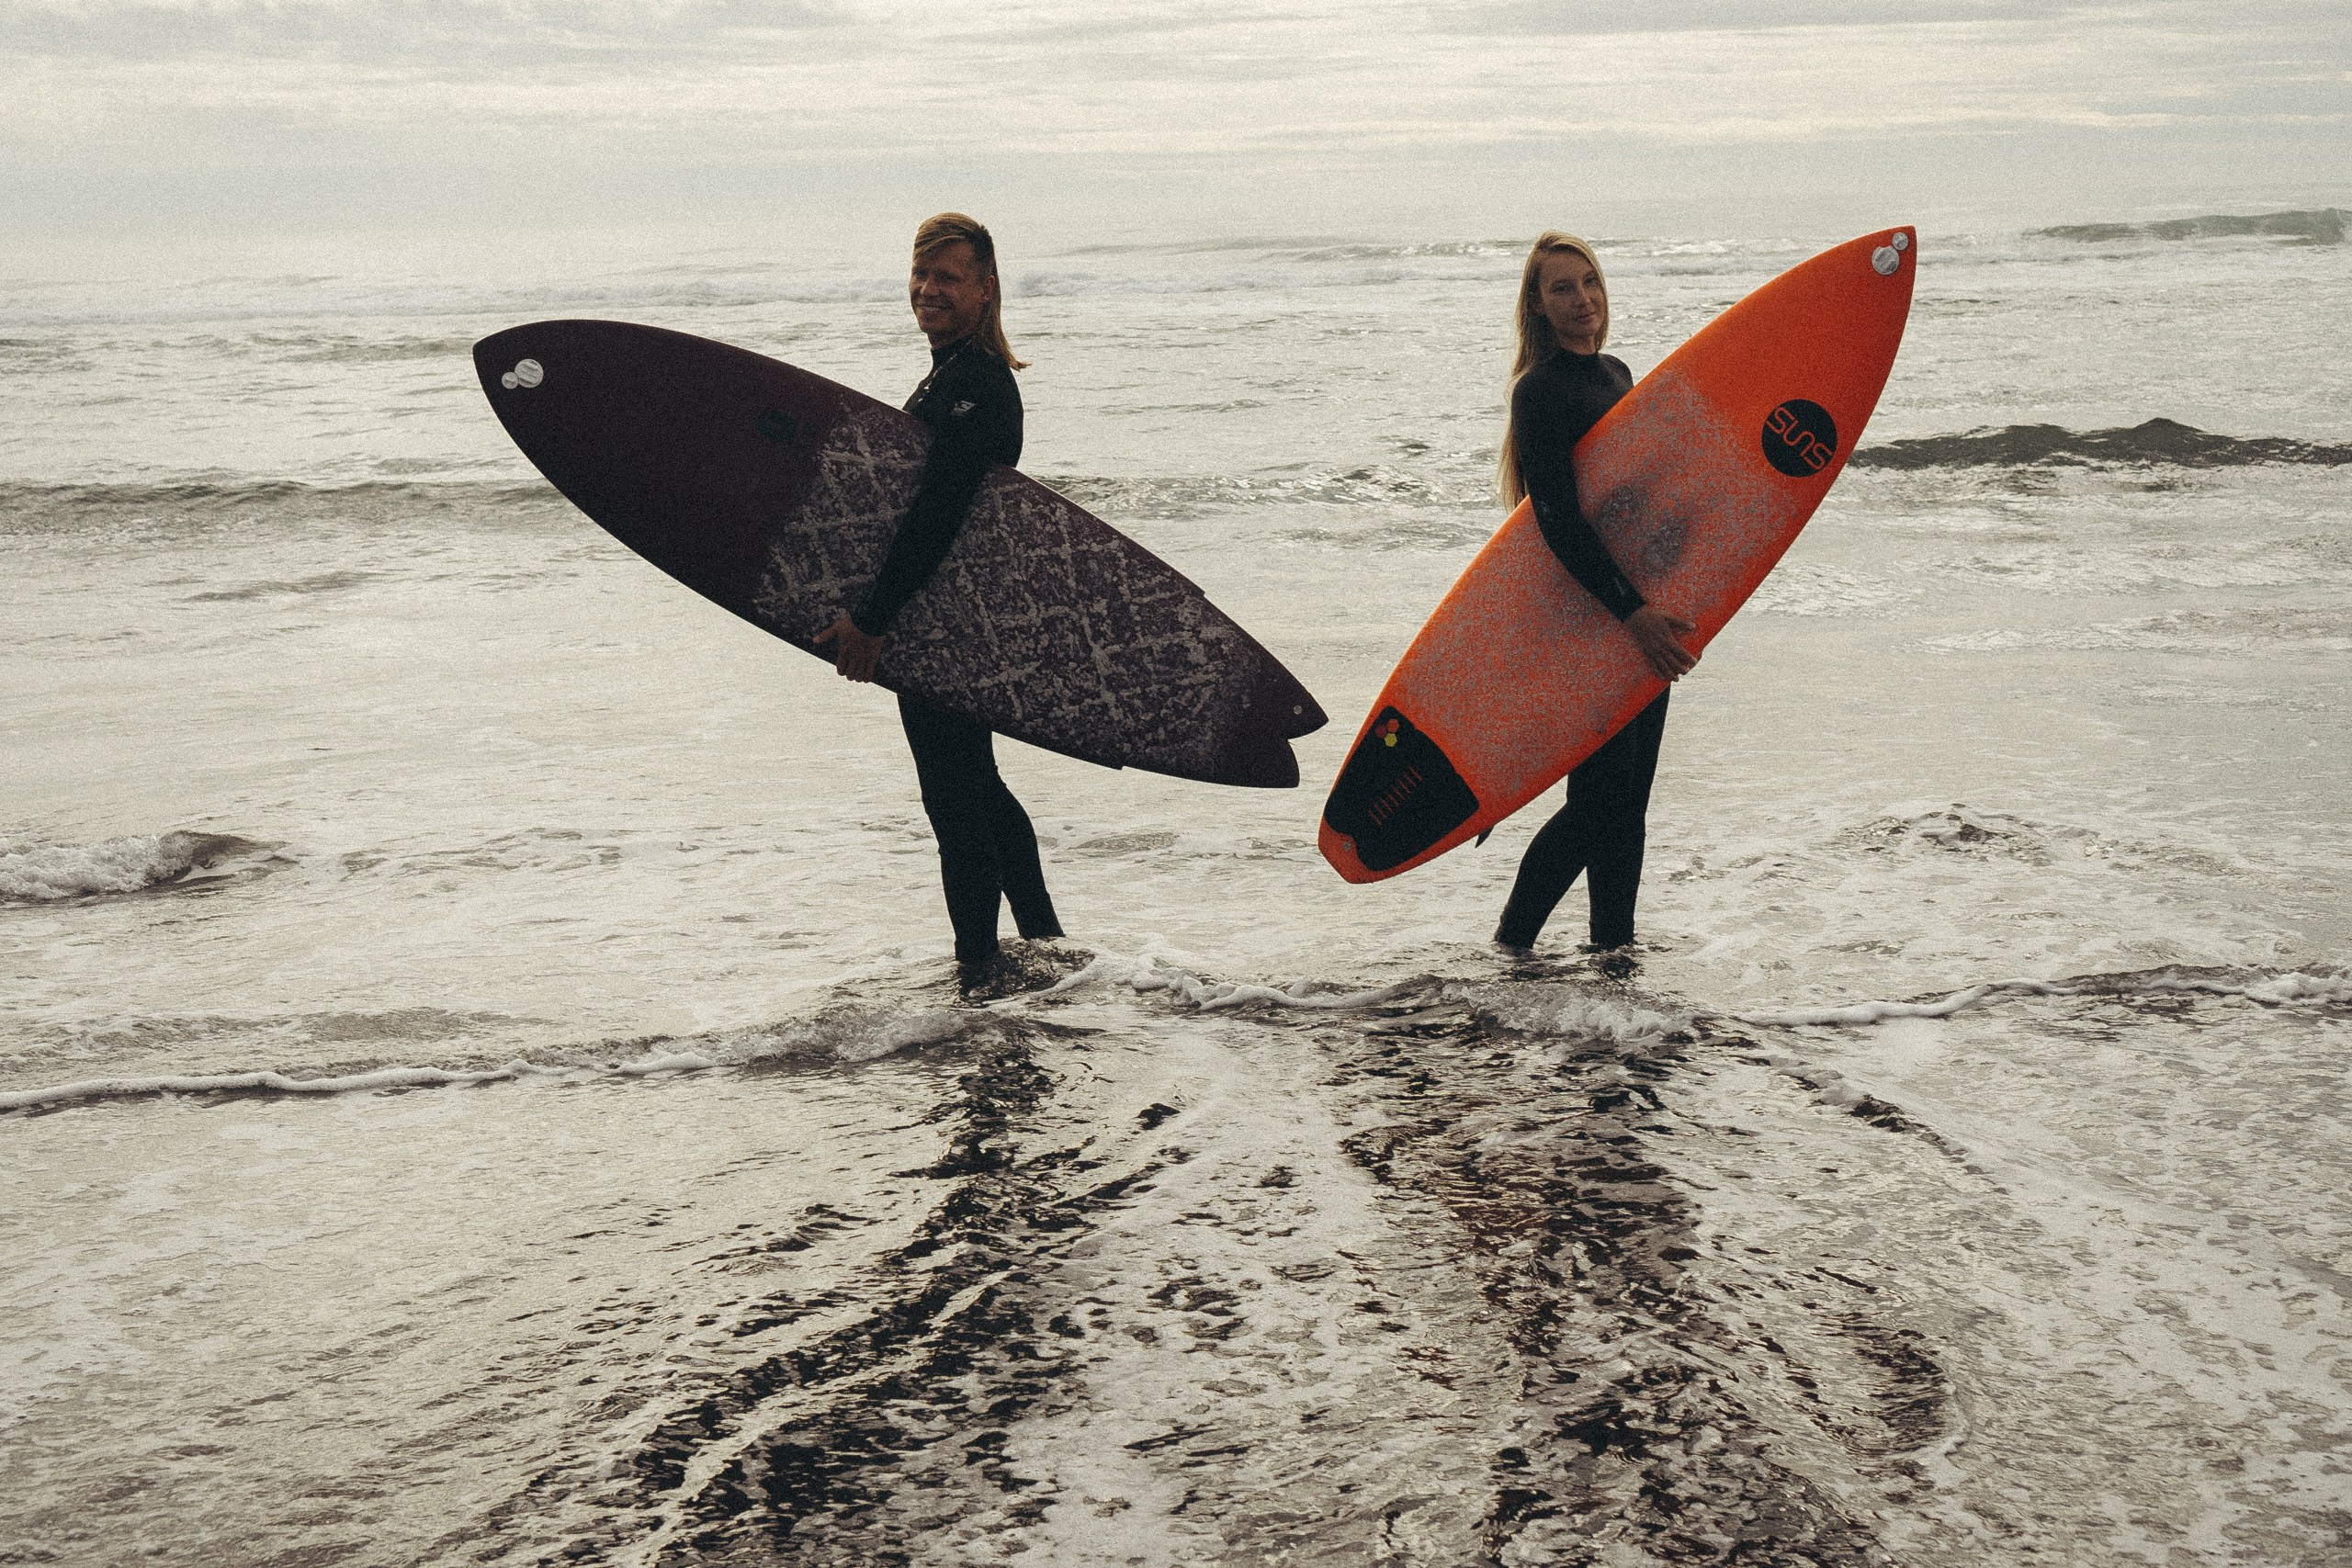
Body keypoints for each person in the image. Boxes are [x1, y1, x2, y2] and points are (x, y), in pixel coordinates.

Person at [815, 213, 1063, 991]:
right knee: (978, 785)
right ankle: (1047, 945)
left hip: (943, 623)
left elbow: (939, 512)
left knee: (954, 799)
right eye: (921, 274)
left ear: (986, 290)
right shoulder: (950, 375)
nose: (928, 289)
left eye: (948, 277)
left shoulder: (975, 384)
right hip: (946, 616)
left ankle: (978, 972)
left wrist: (873, 620)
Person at [1491, 232, 1698, 957]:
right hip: (1591, 616)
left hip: (1640, 611)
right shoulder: (1539, 391)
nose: (1582, 300)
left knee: (1627, 803)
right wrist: (1631, 612)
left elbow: (1634, 501)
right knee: (1596, 804)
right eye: (1562, 288)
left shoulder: (1618, 374)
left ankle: (1615, 952)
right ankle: (1513, 943)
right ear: (1538, 305)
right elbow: (1559, 520)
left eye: (1590, 283)